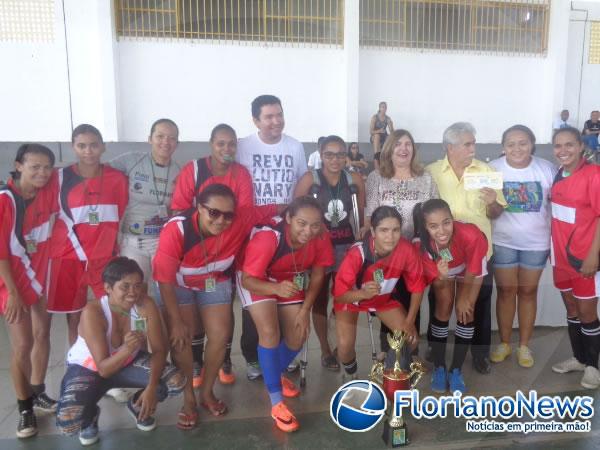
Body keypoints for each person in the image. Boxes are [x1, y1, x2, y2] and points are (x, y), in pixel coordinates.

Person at [153, 184, 279, 429]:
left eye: (228, 215)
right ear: (199, 208)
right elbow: (164, 281)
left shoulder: (241, 217)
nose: (222, 220)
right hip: (178, 284)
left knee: (220, 337)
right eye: (214, 213)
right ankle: (189, 398)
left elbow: (279, 208)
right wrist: (176, 321)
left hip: (215, 279)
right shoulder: (176, 229)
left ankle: (207, 392)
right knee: (183, 339)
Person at [56, 257, 185, 446]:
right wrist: (126, 349)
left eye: (137, 285)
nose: (133, 292)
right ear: (108, 288)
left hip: (127, 364)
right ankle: (89, 416)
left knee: (175, 382)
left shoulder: (145, 305)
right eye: (125, 286)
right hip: (89, 369)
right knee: (68, 423)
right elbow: (104, 369)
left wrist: (150, 389)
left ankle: (137, 405)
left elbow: (159, 349)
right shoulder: (93, 312)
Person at [238, 196, 334, 432]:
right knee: (269, 333)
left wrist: (304, 310)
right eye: (301, 223)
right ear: (288, 218)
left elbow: (319, 276)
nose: (308, 230)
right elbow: (248, 280)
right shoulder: (268, 237)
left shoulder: (320, 236)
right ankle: (276, 402)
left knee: (298, 335)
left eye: (315, 224)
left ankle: (274, 373)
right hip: (258, 279)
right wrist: (275, 289)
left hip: (290, 279)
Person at [172, 123, 254, 388]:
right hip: (194, 251)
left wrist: (223, 239)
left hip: (228, 250)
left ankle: (224, 359)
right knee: (194, 313)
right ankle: (197, 362)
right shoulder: (194, 170)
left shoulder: (241, 174)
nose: (226, 149)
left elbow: (242, 213)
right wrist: (204, 236)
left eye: (231, 144)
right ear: (211, 144)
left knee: (222, 306)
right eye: (221, 143)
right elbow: (181, 210)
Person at [106, 119, 181, 403]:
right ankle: (120, 367)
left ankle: (154, 363)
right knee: (129, 300)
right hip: (132, 241)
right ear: (150, 138)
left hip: (162, 242)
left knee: (158, 303)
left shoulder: (179, 171)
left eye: (171, 138)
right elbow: (98, 172)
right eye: (160, 136)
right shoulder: (131, 161)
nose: (165, 142)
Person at [236, 94, 308, 380]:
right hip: (253, 233)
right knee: (254, 298)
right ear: (256, 120)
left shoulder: (294, 146)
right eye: (268, 116)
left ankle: (278, 353)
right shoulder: (243, 146)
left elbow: (303, 178)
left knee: (286, 289)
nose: (276, 121)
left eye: (279, 114)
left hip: (286, 232)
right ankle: (253, 358)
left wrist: (296, 210)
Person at [426, 122, 506, 375]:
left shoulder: (486, 171)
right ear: (450, 147)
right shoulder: (431, 173)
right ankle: (435, 349)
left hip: (478, 252)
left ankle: (480, 354)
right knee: (439, 300)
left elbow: (497, 213)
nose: (474, 148)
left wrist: (493, 202)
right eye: (468, 144)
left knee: (478, 304)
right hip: (443, 254)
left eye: (473, 143)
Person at [46, 124, 128, 345]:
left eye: (93, 145)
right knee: (74, 316)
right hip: (68, 256)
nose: (88, 151)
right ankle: (77, 361)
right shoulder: (59, 178)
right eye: (81, 146)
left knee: (115, 311)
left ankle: (114, 360)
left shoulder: (118, 178)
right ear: (73, 147)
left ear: (103, 147)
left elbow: (120, 211)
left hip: (105, 256)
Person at [293, 135, 366, 370]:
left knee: (343, 297)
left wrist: (361, 234)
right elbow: (297, 214)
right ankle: (325, 350)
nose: (335, 159)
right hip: (318, 247)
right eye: (329, 154)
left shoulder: (354, 179)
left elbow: (361, 213)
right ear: (320, 155)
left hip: (347, 248)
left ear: (346, 155)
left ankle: (340, 343)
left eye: (340, 154)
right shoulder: (309, 180)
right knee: (319, 299)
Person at [363, 129, 438, 357]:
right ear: (389, 149)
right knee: (388, 297)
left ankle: (410, 351)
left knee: (413, 296)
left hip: (415, 251)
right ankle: (388, 349)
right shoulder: (377, 177)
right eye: (398, 144)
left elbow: (432, 214)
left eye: (408, 144)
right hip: (385, 251)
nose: (403, 149)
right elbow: (370, 215)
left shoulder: (425, 179)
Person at [0, 144, 57, 438]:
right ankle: (24, 408)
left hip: (41, 275)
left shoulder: (47, 190)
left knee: (42, 335)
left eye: (47, 167)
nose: (42, 173)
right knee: (22, 345)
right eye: (34, 166)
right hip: (12, 281)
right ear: (19, 165)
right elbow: (1, 255)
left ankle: (38, 391)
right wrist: (12, 292)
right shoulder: (5, 200)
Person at [489, 125, 557, 368]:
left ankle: (524, 346)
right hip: (503, 242)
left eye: (523, 143)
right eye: (511, 144)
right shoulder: (494, 169)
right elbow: (489, 210)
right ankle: (505, 343)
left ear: (532, 143)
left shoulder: (547, 169)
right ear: (503, 147)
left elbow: (557, 206)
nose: (517, 148)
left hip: (536, 243)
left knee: (528, 293)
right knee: (506, 292)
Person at [334, 206, 425, 380]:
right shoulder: (358, 253)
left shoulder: (406, 249)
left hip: (381, 300)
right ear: (373, 231)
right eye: (383, 230)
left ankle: (392, 369)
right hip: (352, 298)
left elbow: (417, 287)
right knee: (345, 347)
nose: (390, 237)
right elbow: (339, 295)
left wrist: (409, 321)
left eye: (395, 230)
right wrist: (362, 293)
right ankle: (352, 375)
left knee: (410, 338)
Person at [414, 199, 488, 393]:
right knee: (443, 307)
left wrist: (464, 299)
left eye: (446, 222)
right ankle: (439, 366)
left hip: (470, 270)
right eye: (433, 226)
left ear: (452, 218)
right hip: (443, 272)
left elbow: (473, 270)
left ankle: (456, 370)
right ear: (425, 227)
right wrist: (442, 276)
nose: (442, 231)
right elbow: (437, 284)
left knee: (466, 312)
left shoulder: (471, 234)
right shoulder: (422, 245)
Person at [549, 127, 600, 389]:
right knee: (571, 309)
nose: (563, 151)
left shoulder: (594, 174)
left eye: (569, 145)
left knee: (587, 312)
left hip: (584, 260)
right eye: (558, 146)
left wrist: (594, 256)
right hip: (561, 260)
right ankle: (580, 359)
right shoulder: (558, 174)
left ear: (581, 146)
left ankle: (593, 367)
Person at [370, 101, 394, 170]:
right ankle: (376, 157)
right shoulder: (375, 117)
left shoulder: (387, 118)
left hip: (384, 136)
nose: (384, 109)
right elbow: (371, 131)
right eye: (383, 107)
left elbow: (392, 132)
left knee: (390, 137)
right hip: (374, 136)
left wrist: (391, 125)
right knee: (377, 136)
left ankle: (388, 161)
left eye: (385, 107)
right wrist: (379, 131)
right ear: (380, 108)